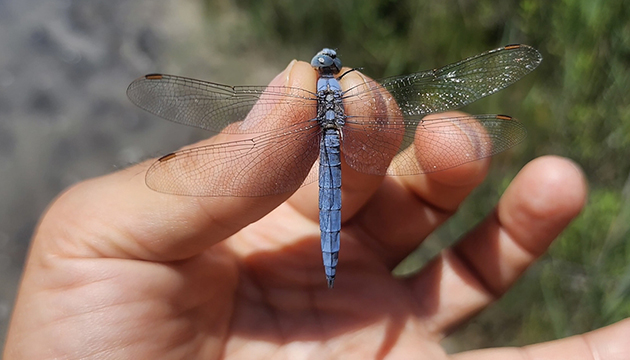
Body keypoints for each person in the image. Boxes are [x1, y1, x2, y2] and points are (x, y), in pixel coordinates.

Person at [4, 60, 628, 360]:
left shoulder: (328, 99)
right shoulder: (315, 101)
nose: (326, 69)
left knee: (432, 139)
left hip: (338, 156)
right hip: (332, 159)